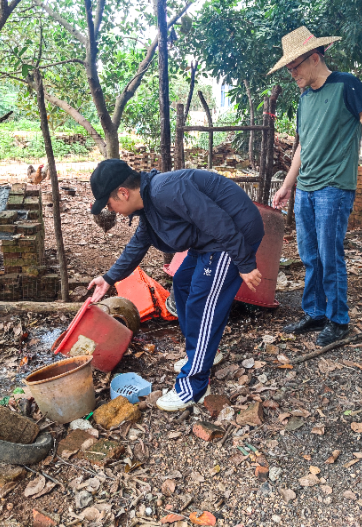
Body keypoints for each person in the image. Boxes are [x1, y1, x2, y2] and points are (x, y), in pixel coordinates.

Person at [87, 159, 264, 412]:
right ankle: (204, 354)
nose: (111, 210)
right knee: (182, 283)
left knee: (202, 306)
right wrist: (108, 278)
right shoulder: (148, 204)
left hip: (232, 236)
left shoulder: (165, 189)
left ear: (123, 193)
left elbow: (217, 220)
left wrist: (245, 262)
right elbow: (137, 246)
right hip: (209, 241)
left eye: (109, 203)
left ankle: (194, 385)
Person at [270, 27, 362, 347]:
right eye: (289, 69)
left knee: (329, 255)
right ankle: (316, 312)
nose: (292, 74)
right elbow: (302, 148)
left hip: (334, 188)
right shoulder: (306, 98)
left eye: (295, 67)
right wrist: (287, 186)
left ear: (315, 57)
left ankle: (338, 319)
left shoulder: (347, 85)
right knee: (309, 255)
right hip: (306, 189)